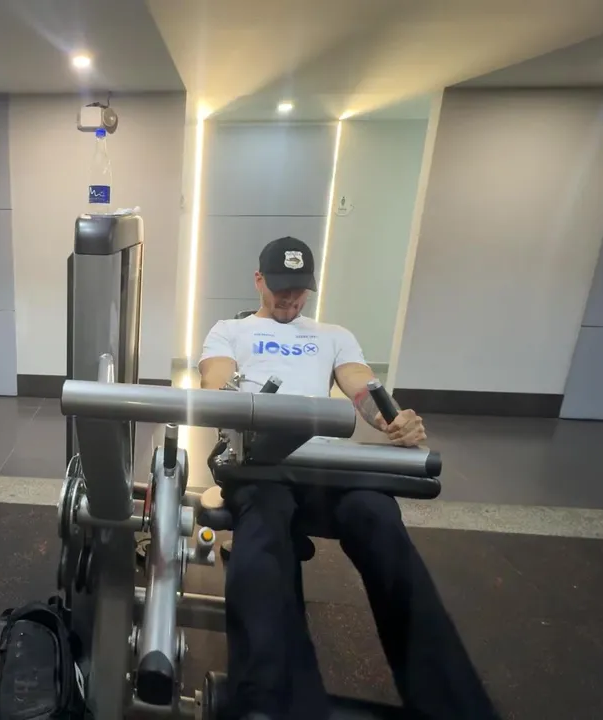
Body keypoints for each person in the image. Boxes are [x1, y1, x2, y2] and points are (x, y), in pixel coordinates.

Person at [198, 237, 499, 720]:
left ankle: (454, 706)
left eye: (298, 289)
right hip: (262, 462)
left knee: (377, 515)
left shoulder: (332, 335)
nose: (289, 298)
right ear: (259, 281)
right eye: (279, 287)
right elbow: (215, 383)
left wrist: (392, 419)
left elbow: (362, 387)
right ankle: (271, 704)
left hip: (326, 463)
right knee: (265, 530)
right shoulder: (229, 331)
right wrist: (234, 402)